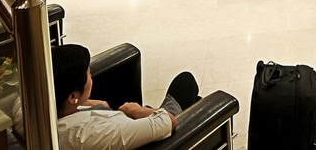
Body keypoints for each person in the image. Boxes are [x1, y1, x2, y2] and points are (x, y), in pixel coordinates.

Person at [13, 43, 200, 149]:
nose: (91, 77)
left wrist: (88, 103)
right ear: (72, 96)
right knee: (186, 83)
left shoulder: (26, 112)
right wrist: (135, 110)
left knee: (191, 97)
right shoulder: (94, 134)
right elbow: (168, 122)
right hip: (146, 136)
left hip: (119, 125)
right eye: (88, 74)